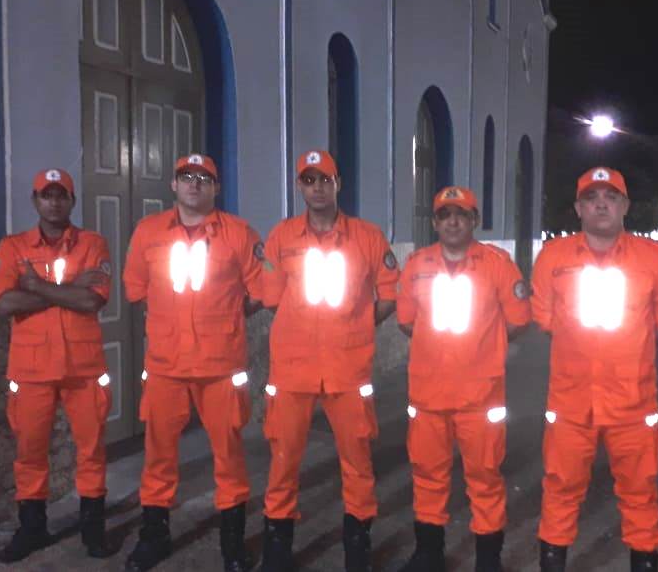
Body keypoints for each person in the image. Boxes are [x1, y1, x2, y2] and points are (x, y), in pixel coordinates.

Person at [532, 167, 658, 572]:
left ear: (625, 206)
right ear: (579, 208)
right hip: (570, 401)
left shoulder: (654, 258)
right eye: (593, 197)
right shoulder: (554, 257)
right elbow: (545, 317)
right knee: (560, 489)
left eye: (611, 197)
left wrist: (628, 350)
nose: (602, 203)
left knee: (640, 493)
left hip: (634, 403)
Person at [122, 154, 266, 572]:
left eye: (205, 178)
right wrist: (173, 316)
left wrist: (228, 316)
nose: (195, 184)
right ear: (174, 185)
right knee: (159, 456)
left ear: (216, 188)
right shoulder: (148, 232)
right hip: (166, 365)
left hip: (221, 366)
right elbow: (135, 288)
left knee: (229, 455)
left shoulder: (239, 234)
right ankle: (154, 536)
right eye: (187, 176)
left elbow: (262, 288)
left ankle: (233, 544)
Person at [260, 150, 399, 572]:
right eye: (308, 180)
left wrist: (356, 324)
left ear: (339, 184)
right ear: (299, 187)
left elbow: (390, 293)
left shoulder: (368, 237)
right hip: (292, 369)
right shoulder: (281, 237)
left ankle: (357, 547)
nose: (317, 188)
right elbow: (271, 298)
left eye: (325, 179)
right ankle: (278, 549)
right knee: (283, 460)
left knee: (357, 460)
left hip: (348, 368)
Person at [395, 186, 531, 572]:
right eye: (444, 215)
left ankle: (488, 560)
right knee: (427, 476)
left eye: (461, 214)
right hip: (427, 394)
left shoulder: (497, 264)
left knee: (485, 478)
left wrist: (484, 349)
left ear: (474, 221)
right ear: (434, 223)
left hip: (481, 397)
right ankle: (428, 555)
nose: (452, 221)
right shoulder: (417, 264)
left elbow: (519, 321)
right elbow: (407, 321)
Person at [0, 168, 115, 562]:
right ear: (35, 201)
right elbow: (4, 304)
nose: (55, 201)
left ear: (72, 202)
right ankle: (32, 528)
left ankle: (93, 529)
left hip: (83, 368)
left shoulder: (93, 243)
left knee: (92, 450)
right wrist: (70, 290)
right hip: (30, 371)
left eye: (62, 195)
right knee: (30, 452)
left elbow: (92, 301)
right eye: (47, 195)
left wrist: (37, 287)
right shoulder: (12, 248)